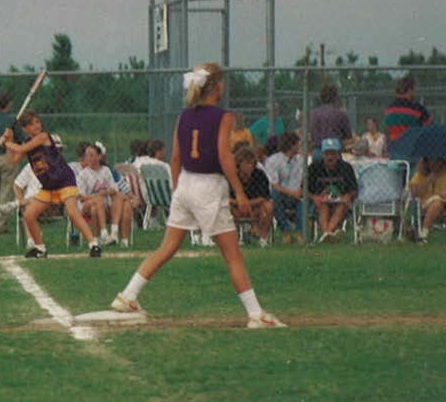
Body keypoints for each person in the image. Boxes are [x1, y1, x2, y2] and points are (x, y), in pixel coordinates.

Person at [110, 63, 285, 328]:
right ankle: (255, 314)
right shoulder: (223, 117)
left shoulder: (184, 115)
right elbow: (225, 156)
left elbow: (175, 158)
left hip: (186, 183)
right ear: (215, 86)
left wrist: (178, 190)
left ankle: (128, 295)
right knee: (233, 255)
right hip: (209, 186)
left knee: (167, 247)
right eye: (222, 82)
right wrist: (239, 191)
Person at [1, 111, 102, 258]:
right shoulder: (26, 143)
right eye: (31, 124)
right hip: (48, 186)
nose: (36, 125)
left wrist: (6, 142)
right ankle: (40, 248)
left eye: (37, 122)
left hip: (64, 181)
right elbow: (13, 160)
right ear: (25, 129)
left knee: (72, 212)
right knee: (29, 215)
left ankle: (94, 245)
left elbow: (21, 149)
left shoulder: (43, 137)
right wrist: (9, 139)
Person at [307, 138, 358, 243]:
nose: (330, 157)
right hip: (321, 203)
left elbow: (354, 189)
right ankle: (329, 234)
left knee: (342, 205)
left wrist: (348, 196)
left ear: (338, 154)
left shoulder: (346, 168)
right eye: (327, 153)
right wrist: (315, 197)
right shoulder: (314, 167)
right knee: (323, 205)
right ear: (322, 154)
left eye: (333, 153)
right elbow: (303, 190)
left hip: (340, 202)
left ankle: (326, 234)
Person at [264, 132, 305, 244]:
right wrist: (292, 193)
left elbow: (302, 179)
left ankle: (300, 233)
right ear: (291, 146)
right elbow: (274, 184)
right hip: (280, 195)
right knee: (275, 195)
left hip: (296, 195)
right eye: (298, 144)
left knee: (302, 201)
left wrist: (299, 191)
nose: (299, 147)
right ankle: (286, 231)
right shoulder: (273, 160)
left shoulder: (300, 160)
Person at [0, 93, 21, 233]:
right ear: (8, 104)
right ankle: (1, 225)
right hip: (8, 156)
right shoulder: (11, 119)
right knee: (6, 191)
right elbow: (21, 138)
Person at [230, 146, 273, 247]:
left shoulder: (259, 174)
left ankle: (263, 239)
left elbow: (264, 197)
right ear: (239, 163)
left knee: (269, 207)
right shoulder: (231, 175)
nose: (249, 166)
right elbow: (225, 198)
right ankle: (235, 238)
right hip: (235, 208)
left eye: (252, 163)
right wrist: (241, 204)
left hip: (255, 208)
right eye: (246, 163)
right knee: (224, 207)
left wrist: (247, 204)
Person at [310, 83, 353, 158]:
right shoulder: (340, 114)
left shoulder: (314, 114)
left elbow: (313, 136)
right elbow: (348, 136)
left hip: (318, 151)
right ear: (335, 97)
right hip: (334, 153)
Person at [385, 76, 432, 142]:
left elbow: (388, 130)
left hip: (393, 145)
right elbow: (430, 126)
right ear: (410, 90)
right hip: (412, 144)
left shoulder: (389, 109)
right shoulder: (417, 108)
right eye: (413, 90)